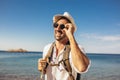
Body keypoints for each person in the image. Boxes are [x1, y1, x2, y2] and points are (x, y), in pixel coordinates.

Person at [38, 12, 90, 80]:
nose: (58, 29)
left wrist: (70, 36)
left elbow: (82, 68)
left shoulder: (77, 49)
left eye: (62, 26)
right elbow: (46, 72)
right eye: (56, 25)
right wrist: (41, 68)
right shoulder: (47, 48)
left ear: (69, 29)